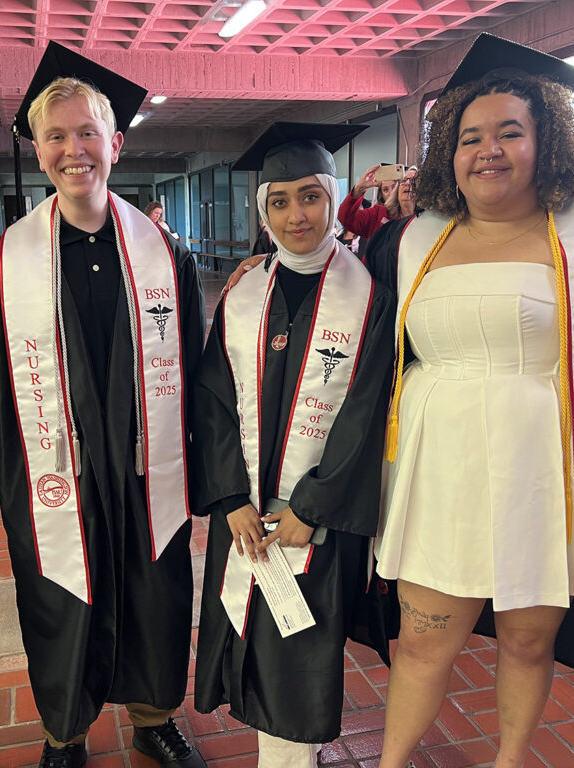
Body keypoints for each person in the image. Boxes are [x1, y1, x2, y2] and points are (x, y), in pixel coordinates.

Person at [364, 34, 574, 766]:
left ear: (546, 140)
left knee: (526, 638)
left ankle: (510, 759)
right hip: (439, 471)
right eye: (469, 136)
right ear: (447, 154)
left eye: (509, 132)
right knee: (424, 638)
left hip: (550, 474)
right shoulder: (405, 244)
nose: (488, 150)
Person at [0, 42, 206, 768]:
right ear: (38, 151)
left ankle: (153, 718)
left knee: (155, 598)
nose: (74, 150)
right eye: (57, 136)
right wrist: (9, 476)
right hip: (53, 473)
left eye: (87, 133)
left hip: (144, 469)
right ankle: (63, 733)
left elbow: (192, 365)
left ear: (116, 143)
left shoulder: (166, 255)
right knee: (60, 602)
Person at [192, 122, 396, 767]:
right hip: (247, 513)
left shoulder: (369, 298)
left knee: (297, 645)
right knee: (252, 635)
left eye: (310, 196)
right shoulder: (243, 293)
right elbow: (214, 398)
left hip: (314, 519)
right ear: (264, 211)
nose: (296, 214)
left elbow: (367, 414)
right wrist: (228, 496)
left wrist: (313, 509)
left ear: (334, 199)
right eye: (278, 201)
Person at [338, 164, 418, 239]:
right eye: (404, 181)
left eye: (413, 181)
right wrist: (359, 188)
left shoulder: (428, 220)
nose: (407, 183)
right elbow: (345, 218)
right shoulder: (378, 214)